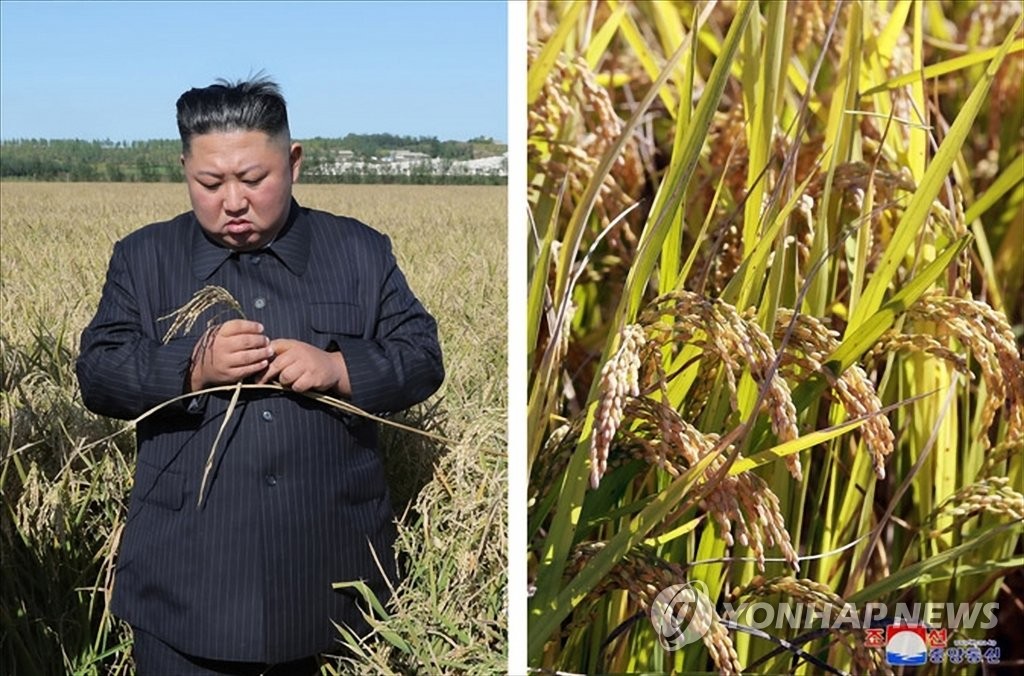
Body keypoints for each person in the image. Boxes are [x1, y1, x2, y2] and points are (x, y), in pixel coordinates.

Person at [76, 76, 444, 674]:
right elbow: (97, 373)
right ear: (184, 171)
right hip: (184, 593)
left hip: (337, 593)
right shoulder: (143, 259)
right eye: (210, 182)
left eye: (253, 179)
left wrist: (339, 367)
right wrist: (193, 367)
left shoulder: (360, 252)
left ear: (293, 162)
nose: (233, 201)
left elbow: (423, 356)